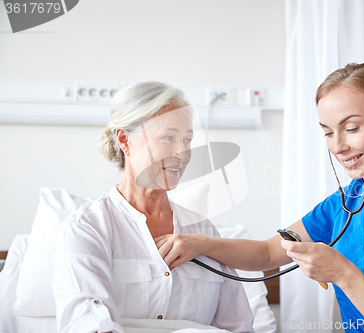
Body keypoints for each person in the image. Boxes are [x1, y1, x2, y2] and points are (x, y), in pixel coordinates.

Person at [155, 63, 364, 333]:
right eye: (327, 131)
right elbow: (268, 252)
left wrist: (343, 274)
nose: (337, 145)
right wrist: (198, 243)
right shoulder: (346, 202)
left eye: (351, 128)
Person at [52, 82, 255, 333]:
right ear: (125, 140)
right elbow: (88, 322)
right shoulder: (86, 229)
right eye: (168, 138)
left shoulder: (204, 232)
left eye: (188, 139)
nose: (182, 153)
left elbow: (238, 325)